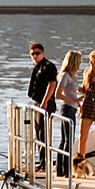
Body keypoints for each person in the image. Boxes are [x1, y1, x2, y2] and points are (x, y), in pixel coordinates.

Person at [27, 42, 57, 170]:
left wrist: (45, 101)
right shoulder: (37, 67)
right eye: (32, 54)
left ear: (43, 53)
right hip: (37, 102)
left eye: (37, 53)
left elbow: (52, 84)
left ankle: (46, 162)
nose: (35, 56)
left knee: (43, 133)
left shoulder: (48, 67)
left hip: (45, 104)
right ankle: (42, 160)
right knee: (39, 133)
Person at [53, 50, 83, 177]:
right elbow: (58, 94)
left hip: (72, 108)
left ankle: (62, 169)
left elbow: (76, 88)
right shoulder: (65, 75)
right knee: (67, 140)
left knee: (66, 139)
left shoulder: (73, 76)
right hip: (67, 108)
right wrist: (74, 100)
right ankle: (65, 170)